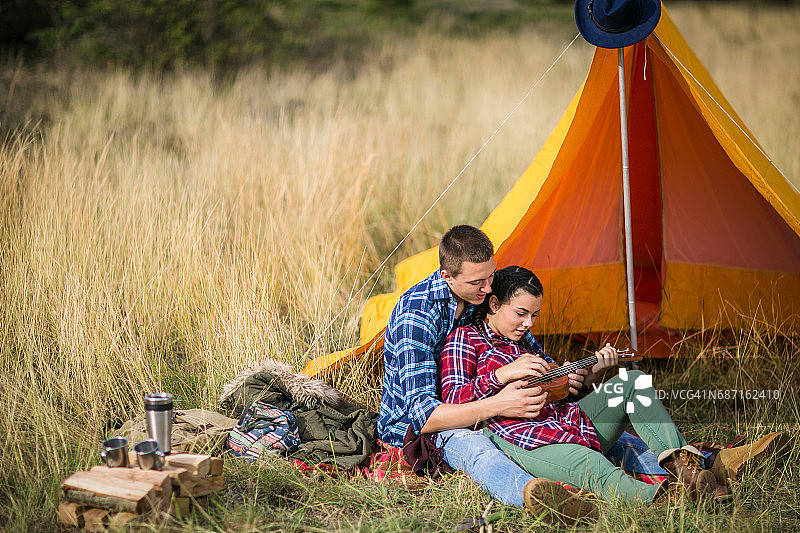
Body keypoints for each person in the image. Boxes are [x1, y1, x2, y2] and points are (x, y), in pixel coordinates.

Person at [440, 265, 722, 504]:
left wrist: (589, 375)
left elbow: (564, 391)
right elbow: (453, 398)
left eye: (534, 315)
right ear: (494, 304)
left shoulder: (524, 340)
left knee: (632, 381)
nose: (529, 323)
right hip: (524, 439)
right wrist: (501, 375)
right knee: (594, 464)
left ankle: (691, 471)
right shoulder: (465, 339)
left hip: (570, 421)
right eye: (521, 313)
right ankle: (662, 501)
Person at [377, 225, 597, 518]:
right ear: (447, 276)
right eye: (478, 281)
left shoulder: (481, 299)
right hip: (423, 427)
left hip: (487, 407)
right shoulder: (415, 316)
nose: (489, 287)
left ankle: (670, 468)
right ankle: (538, 500)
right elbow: (425, 418)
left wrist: (569, 375)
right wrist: (500, 402)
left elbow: (538, 358)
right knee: (476, 447)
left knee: (582, 420)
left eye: (491, 276)